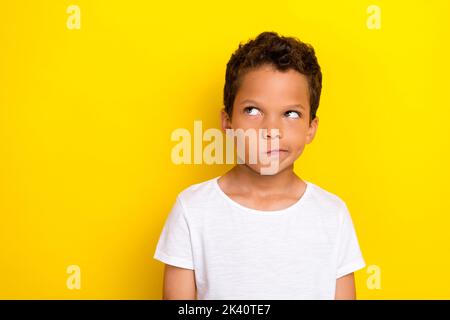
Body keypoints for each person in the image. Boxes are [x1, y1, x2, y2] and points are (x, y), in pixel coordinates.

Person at [154, 31, 366, 300]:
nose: (271, 129)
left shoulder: (332, 215)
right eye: (253, 110)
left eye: (291, 114)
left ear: (311, 128)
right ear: (227, 121)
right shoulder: (192, 210)